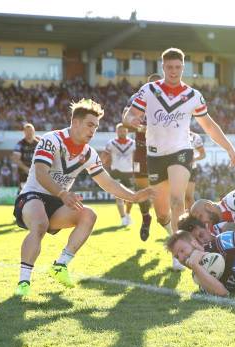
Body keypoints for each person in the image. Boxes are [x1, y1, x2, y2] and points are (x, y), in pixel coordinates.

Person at [13, 99, 154, 296]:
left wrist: (135, 196)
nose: (93, 130)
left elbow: (108, 183)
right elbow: (41, 173)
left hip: (58, 202)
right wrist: (63, 193)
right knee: (39, 224)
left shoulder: (89, 153)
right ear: (75, 122)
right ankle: (24, 283)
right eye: (90, 125)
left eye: (96, 127)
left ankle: (60, 265)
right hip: (32, 196)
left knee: (89, 215)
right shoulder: (51, 139)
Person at [123, 47, 235, 270]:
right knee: (162, 213)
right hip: (155, 154)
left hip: (181, 151)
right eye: (169, 67)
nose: (174, 71)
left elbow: (209, 126)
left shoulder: (193, 96)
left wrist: (229, 148)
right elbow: (129, 114)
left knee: (178, 200)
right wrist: (131, 120)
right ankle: (173, 234)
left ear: (183, 67)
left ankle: (179, 255)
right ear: (163, 67)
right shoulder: (149, 90)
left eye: (178, 67)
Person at [123, 73, 162, 241]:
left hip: (163, 150)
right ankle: (146, 217)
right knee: (141, 188)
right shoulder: (137, 98)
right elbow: (125, 117)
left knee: (164, 191)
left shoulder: (170, 99)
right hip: (141, 150)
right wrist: (136, 125)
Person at [100, 123, 136, 226]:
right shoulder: (111, 143)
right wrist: (101, 165)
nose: (122, 132)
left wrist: (136, 172)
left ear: (127, 131)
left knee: (131, 197)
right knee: (118, 196)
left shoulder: (133, 143)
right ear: (117, 131)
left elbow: (136, 158)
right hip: (116, 172)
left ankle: (128, 214)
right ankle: (123, 218)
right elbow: (104, 155)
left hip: (129, 172)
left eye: (124, 130)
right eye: (120, 131)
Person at [12, 123, 40, 190]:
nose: (29, 133)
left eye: (31, 131)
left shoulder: (39, 143)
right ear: (24, 132)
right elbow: (16, 159)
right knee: (24, 194)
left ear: (34, 131)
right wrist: (26, 169)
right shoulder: (20, 144)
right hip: (24, 174)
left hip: (37, 174)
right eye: (27, 131)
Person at [185, 131, 206, 209]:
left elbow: (203, 154)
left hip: (191, 169)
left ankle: (192, 218)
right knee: (177, 197)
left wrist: (194, 158)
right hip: (175, 168)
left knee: (188, 197)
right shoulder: (172, 133)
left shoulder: (195, 137)